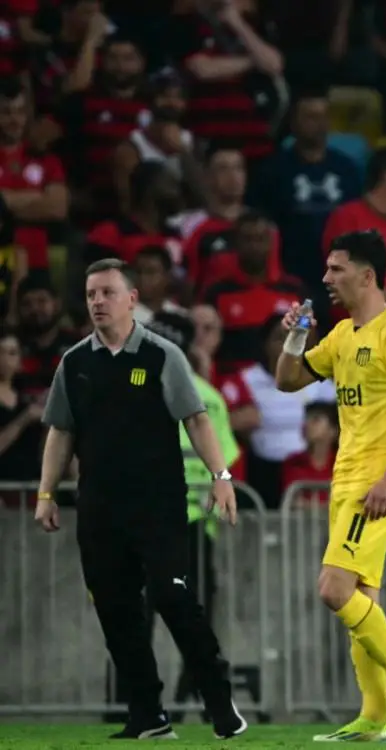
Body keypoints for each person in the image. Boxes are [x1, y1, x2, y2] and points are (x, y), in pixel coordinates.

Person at [32, 258, 245, 741]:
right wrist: (47, 492)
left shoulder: (161, 355)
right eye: (90, 294)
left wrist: (221, 476)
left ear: (132, 299)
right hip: (99, 508)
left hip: (160, 506)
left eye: (107, 292)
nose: (97, 302)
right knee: (116, 610)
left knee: (173, 597)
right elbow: (60, 431)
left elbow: (196, 418)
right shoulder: (75, 362)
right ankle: (148, 714)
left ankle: (218, 697)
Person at [273, 229, 386, 741]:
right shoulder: (343, 335)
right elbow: (288, 381)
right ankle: (371, 713)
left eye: (336, 268)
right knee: (361, 597)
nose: (325, 278)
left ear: (367, 275)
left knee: (333, 588)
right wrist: (296, 336)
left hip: (379, 485)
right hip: (346, 483)